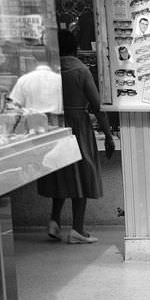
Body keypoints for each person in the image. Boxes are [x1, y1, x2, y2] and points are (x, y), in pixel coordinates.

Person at [37, 29, 114, 244]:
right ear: (74, 46)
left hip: (54, 124)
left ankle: (54, 221)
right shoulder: (81, 70)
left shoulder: (47, 71)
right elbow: (98, 105)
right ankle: (78, 229)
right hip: (77, 123)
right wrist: (108, 135)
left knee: (60, 172)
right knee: (81, 173)